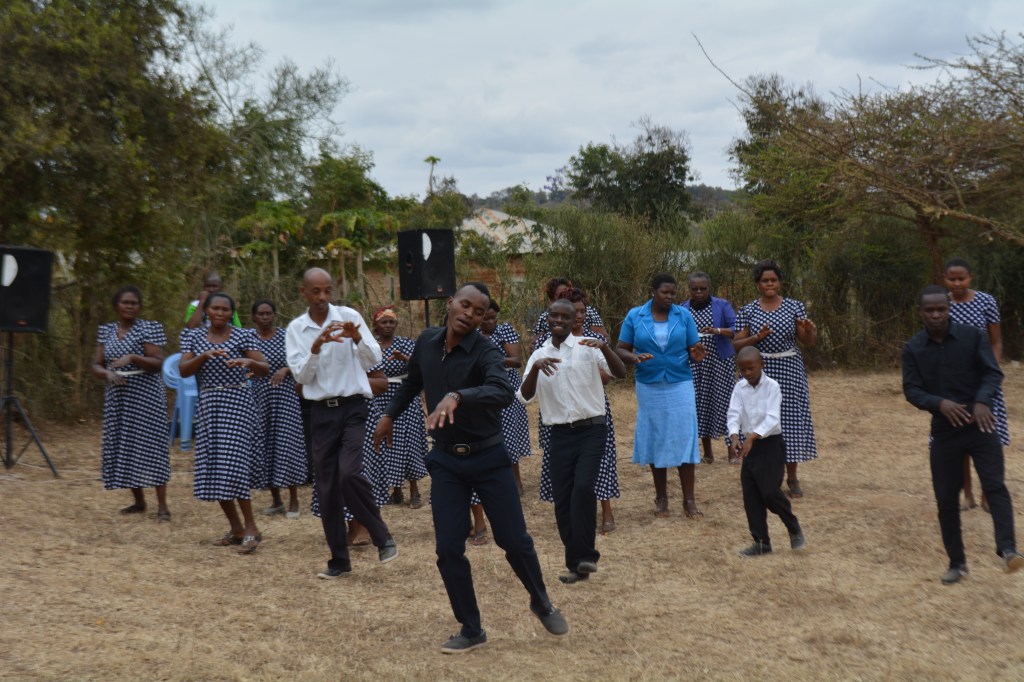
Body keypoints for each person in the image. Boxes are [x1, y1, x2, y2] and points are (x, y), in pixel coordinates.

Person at [373, 282, 568, 654]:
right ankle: (471, 627)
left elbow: (501, 391)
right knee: (448, 548)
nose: (470, 314)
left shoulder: (486, 351)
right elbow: (413, 380)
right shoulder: (427, 341)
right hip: (446, 460)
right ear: (451, 303)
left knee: (513, 540)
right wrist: (388, 416)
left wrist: (458, 395)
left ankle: (541, 601)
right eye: (465, 305)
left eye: (479, 312)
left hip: (488, 458)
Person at [902, 285, 1023, 584]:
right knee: (945, 499)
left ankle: (1008, 549)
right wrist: (939, 403)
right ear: (921, 312)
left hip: (981, 426)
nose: (935, 315)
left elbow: (993, 372)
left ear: (948, 309)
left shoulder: (972, 337)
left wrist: (982, 401)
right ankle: (957, 563)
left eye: (940, 309)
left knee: (995, 486)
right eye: (929, 310)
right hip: (945, 432)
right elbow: (912, 390)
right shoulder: (913, 348)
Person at [285, 268, 397, 578]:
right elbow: (301, 377)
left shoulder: (349, 316)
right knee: (327, 489)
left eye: (327, 291)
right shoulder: (296, 329)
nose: (323, 297)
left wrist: (358, 337)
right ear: (304, 292)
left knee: (349, 473)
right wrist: (317, 346)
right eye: (316, 292)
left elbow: (374, 360)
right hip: (320, 412)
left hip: (353, 408)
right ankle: (339, 561)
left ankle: (380, 535)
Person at [520, 299, 626, 584]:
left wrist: (604, 346)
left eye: (565, 316)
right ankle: (575, 565)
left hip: (592, 430)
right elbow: (525, 395)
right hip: (558, 435)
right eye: (554, 315)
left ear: (574, 320)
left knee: (582, 488)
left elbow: (620, 373)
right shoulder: (539, 354)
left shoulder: (587, 346)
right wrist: (534, 370)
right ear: (548, 319)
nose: (559, 320)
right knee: (563, 500)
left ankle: (588, 556)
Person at [180, 292, 269, 554]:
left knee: (233, 466)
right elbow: (183, 370)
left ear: (232, 313)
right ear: (206, 310)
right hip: (209, 404)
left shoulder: (243, 335)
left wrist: (249, 361)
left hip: (237, 403)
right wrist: (203, 356)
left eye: (225, 309)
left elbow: (264, 367)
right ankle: (236, 529)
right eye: (215, 308)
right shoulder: (193, 336)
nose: (220, 313)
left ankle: (252, 528)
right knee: (217, 468)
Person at [616, 273, 707, 518]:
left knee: (684, 435)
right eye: (665, 292)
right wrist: (634, 358)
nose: (670, 297)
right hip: (649, 384)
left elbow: (693, 348)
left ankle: (689, 500)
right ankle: (662, 499)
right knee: (656, 435)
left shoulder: (683, 315)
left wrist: (696, 354)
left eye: (673, 293)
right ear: (652, 291)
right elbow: (620, 349)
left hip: (680, 381)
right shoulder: (636, 316)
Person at [537, 288, 621, 533]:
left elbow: (608, 376)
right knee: (563, 465)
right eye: (577, 312)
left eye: (583, 311)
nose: (581, 316)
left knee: (602, 460)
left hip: (591, 408)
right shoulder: (546, 341)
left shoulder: (594, 339)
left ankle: (606, 511)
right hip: (558, 410)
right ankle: (571, 513)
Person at [733, 260, 817, 498]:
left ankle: (792, 477)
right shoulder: (748, 310)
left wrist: (809, 330)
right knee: (759, 418)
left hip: (789, 369)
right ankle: (761, 473)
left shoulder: (794, 307)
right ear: (757, 284)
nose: (769, 284)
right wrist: (756, 338)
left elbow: (807, 341)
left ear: (780, 282)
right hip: (759, 371)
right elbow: (736, 344)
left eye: (773, 280)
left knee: (788, 420)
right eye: (764, 281)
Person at [91, 286, 171, 521]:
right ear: (117, 305)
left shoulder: (150, 328)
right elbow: (96, 364)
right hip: (118, 395)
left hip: (145, 395)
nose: (130, 306)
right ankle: (138, 501)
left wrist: (133, 358)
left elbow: (158, 362)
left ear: (140, 307)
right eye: (125, 302)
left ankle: (163, 507)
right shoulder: (106, 331)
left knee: (151, 447)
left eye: (134, 303)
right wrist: (106, 374)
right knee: (125, 445)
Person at [944, 257, 1010, 512]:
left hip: (984, 381)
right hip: (954, 383)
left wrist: (991, 371)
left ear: (970, 277)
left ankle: (988, 495)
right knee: (960, 440)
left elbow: (996, 342)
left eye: (962, 278)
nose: (957, 283)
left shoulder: (986, 301)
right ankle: (967, 495)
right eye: (952, 279)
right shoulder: (942, 304)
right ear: (945, 278)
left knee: (988, 440)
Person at [727, 346, 805, 556]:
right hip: (749, 448)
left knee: (769, 491)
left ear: (762, 365)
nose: (747, 373)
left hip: (770, 445)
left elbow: (772, 418)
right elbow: (733, 413)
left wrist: (752, 437)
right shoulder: (739, 388)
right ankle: (761, 542)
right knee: (751, 496)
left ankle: (793, 526)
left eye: (751, 368)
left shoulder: (772, 386)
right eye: (743, 370)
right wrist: (734, 437)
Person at [364, 306, 428, 509]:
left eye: (392, 322)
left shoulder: (406, 344)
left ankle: (414, 490)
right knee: (385, 445)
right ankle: (395, 490)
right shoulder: (369, 347)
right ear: (375, 325)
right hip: (379, 399)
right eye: (384, 322)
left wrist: (406, 360)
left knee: (407, 443)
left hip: (404, 399)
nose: (388, 326)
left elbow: (421, 368)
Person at [250, 299, 308, 519]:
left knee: (287, 443)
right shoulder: (249, 339)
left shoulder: (286, 336)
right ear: (254, 317)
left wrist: (285, 369)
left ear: (274, 315)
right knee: (266, 445)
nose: (265, 317)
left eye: (269, 313)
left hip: (285, 395)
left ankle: (294, 499)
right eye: (261, 314)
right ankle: (276, 500)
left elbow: (302, 361)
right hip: (259, 396)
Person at [682, 272, 737, 464]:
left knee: (726, 403)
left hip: (719, 362)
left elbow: (736, 329)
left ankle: (732, 450)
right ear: (689, 289)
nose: (698, 292)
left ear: (709, 289)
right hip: (695, 364)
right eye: (694, 289)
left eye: (702, 288)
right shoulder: (682, 309)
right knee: (700, 404)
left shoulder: (722, 305)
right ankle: (707, 453)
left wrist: (718, 331)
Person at [480, 300, 531, 493]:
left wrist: (490, 361)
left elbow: (516, 361)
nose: (491, 322)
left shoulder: (505, 331)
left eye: (494, 318)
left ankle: (516, 480)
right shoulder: (474, 336)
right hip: (484, 388)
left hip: (506, 387)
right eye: (486, 319)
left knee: (509, 434)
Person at [532, 276, 607, 341]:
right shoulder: (545, 318)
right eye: (560, 295)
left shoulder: (589, 312)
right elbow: (535, 343)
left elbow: (604, 338)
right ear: (553, 299)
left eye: (567, 292)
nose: (565, 295)